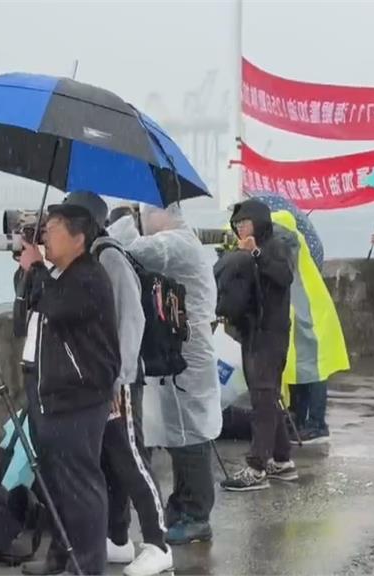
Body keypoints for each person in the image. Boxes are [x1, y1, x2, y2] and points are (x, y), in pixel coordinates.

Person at [107, 203, 222, 545]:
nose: (144, 222)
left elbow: (134, 251)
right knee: (180, 435)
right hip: (181, 349)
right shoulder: (181, 242)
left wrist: (121, 223)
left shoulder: (177, 243)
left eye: (145, 215)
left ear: (161, 213)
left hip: (188, 352)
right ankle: (182, 507)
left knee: (192, 436)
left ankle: (196, 514)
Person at [17, 201, 121, 576]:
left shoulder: (88, 276)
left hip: (78, 397)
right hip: (49, 393)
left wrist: (38, 268)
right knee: (54, 485)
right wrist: (29, 273)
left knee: (81, 486)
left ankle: (89, 567)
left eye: (54, 226)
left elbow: (57, 308)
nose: (46, 232)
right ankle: (61, 555)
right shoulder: (59, 275)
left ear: (79, 236)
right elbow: (24, 317)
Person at [83, 197, 173, 576]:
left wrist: (118, 378)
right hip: (104, 380)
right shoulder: (92, 259)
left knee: (131, 459)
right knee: (110, 460)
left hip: (120, 380)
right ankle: (118, 538)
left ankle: (158, 542)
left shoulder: (110, 259)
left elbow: (131, 321)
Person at [220, 199, 296, 492]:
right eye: (237, 224)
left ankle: (257, 466)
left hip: (270, 333)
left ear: (259, 223)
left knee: (263, 397)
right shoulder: (246, 250)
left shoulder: (276, 246)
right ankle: (282, 459)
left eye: (245, 223)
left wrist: (255, 252)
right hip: (251, 330)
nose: (240, 228)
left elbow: (284, 276)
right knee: (265, 394)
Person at [273, 210, 350, 445]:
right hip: (300, 312)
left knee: (315, 372)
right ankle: (298, 418)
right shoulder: (290, 240)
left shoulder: (289, 239)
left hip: (311, 313)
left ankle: (317, 423)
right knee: (299, 370)